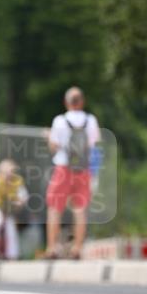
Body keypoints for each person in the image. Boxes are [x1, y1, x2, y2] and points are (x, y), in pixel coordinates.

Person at [44, 86, 101, 259]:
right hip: (83, 168)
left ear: (66, 102)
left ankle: (52, 248)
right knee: (80, 209)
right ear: (82, 102)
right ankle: (77, 248)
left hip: (63, 167)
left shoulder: (59, 121)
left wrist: (48, 137)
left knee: (55, 208)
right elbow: (94, 144)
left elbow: (53, 146)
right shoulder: (91, 120)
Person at [0, 159, 28, 260]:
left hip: (8, 210)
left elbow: (24, 196)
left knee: (11, 230)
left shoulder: (17, 182)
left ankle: (13, 254)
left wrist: (19, 202)